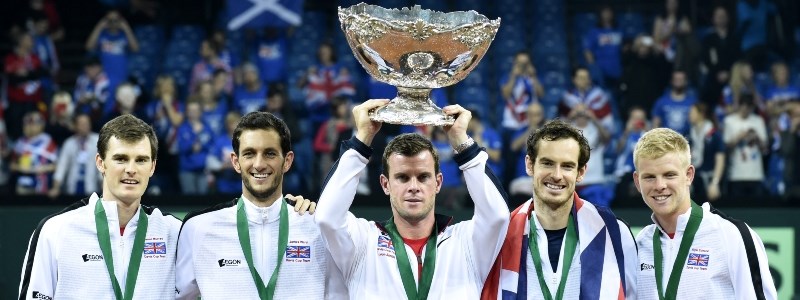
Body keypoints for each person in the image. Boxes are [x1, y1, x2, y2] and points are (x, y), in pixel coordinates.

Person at [315, 100, 510, 298]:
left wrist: (462, 142)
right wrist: (362, 139)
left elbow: (498, 217)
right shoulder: (363, 242)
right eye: (402, 177)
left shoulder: (466, 243)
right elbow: (326, 218)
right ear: (385, 184)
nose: (414, 187)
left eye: (423, 177)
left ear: (438, 183)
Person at [176, 111, 346, 299]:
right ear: (236, 161)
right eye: (249, 154)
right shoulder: (198, 228)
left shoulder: (317, 225)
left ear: (287, 161)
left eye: (270, 154)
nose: (259, 164)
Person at [18, 114, 181, 299]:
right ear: (100, 163)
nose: (131, 169)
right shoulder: (56, 231)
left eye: (141, 160)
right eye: (121, 159)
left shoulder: (174, 233)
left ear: (152, 167)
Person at [482, 119, 638, 299]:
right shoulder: (501, 235)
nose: (557, 175)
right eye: (547, 163)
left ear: (581, 172)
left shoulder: (614, 233)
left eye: (567, 166)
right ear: (530, 165)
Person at [632, 127, 777, 299]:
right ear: (637, 181)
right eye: (649, 177)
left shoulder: (732, 236)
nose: (659, 185)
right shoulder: (639, 244)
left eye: (669, 175)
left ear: (689, 175)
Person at [49, 113, 101, 198]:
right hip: (72, 190)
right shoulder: (69, 143)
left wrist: (105, 187)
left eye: (86, 124)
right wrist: (56, 187)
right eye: (81, 124)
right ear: (75, 126)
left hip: (91, 189)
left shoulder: (98, 141)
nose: (84, 126)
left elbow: (103, 166)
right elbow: (62, 167)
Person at [10, 111, 58, 195]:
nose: (27, 127)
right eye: (26, 124)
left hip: (40, 184)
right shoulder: (20, 142)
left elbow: (55, 166)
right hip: (22, 184)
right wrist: (20, 168)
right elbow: (12, 165)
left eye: (31, 124)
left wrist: (40, 169)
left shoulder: (47, 141)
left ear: (41, 126)